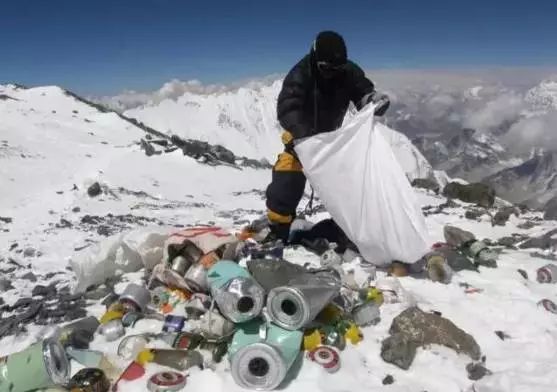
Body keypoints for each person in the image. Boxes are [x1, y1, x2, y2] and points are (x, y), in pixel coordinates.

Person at [264, 30, 390, 242]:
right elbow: (288, 108)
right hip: (301, 141)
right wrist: (305, 137)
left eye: (337, 68)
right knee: (286, 180)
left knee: (351, 183)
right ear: (315, 58)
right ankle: (279, 231)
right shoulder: (301, 74)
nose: (331, 73)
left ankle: (349, 230)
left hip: (332, 142)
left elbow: (362, 92)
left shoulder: (348, 72)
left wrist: (372, 101)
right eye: (326, 68)